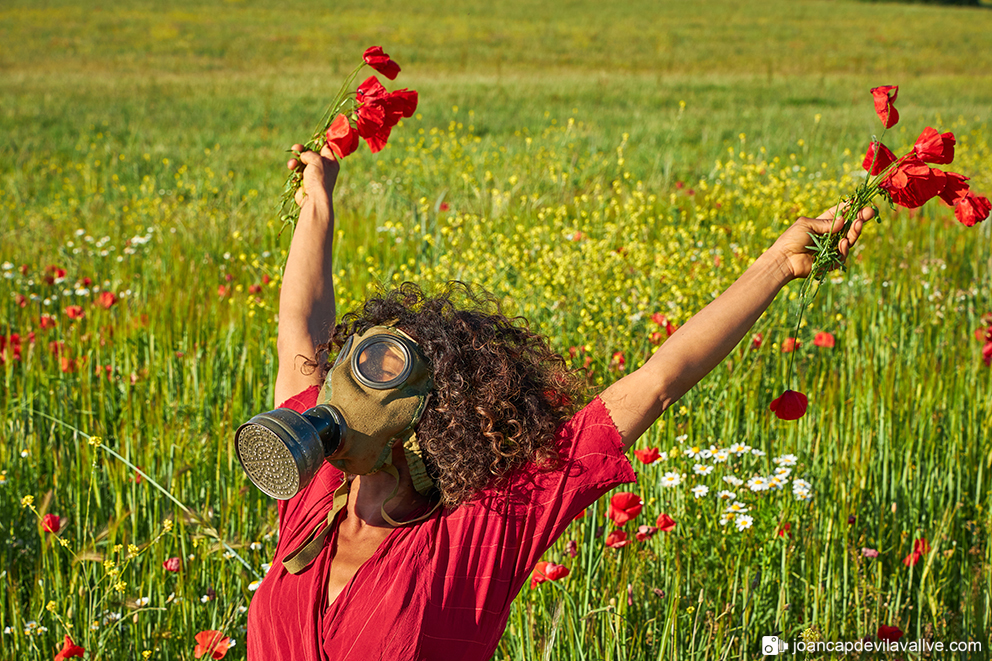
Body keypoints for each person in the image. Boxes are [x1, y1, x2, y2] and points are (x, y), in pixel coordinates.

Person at [246, 143, 870, 660]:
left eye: (383, 377)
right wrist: (319, 200)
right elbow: (301, 335)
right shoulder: (310, 490)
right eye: (357, 365)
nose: (344, 390)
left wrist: (778, 265)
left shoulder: (482, 529)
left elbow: (650, 386)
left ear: (431, 419)